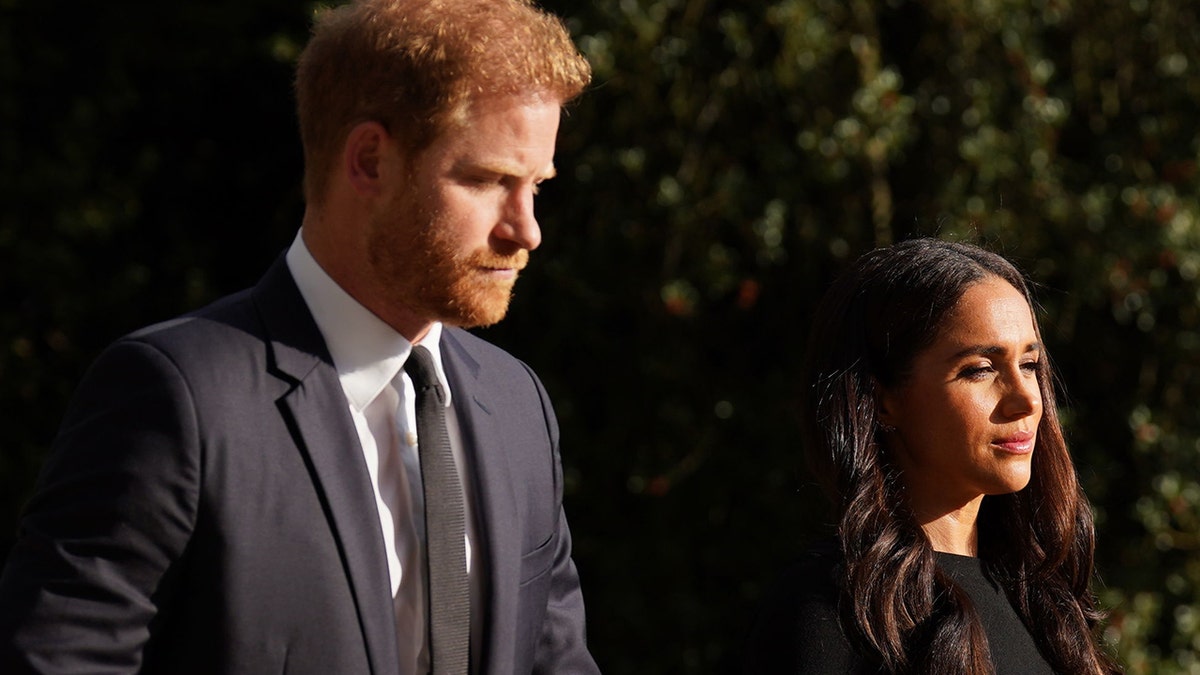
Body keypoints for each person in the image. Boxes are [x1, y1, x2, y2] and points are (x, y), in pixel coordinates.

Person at [0, 0, 599, 673]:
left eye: (536, 187)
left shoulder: (518, 406)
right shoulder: (176, 398)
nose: (526, 230)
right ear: (369, 160)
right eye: (488, 180)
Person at [744, 239, 1121, 673]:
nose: (1026, 400)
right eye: (980, 369)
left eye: (1030, 366)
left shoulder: (1045, 602)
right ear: (882, 400)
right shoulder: (830, 612)